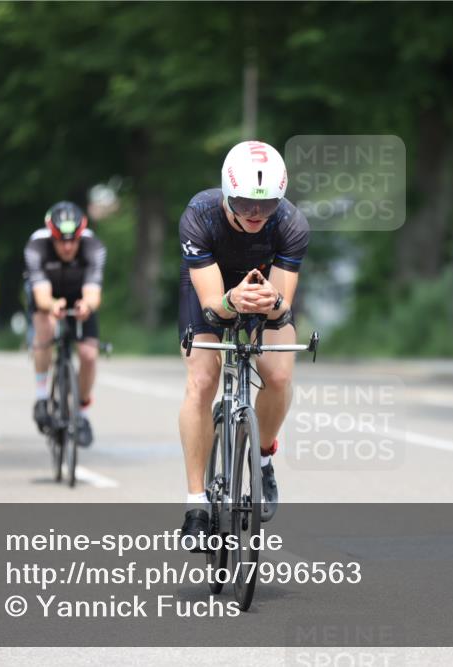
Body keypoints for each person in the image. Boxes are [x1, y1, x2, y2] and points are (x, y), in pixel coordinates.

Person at [178, 140, 310, 545]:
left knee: (279, 374)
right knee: (202, 380)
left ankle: (264, 456)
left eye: (266, 204)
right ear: (226, 192)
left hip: (262, 292)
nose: (256, 214)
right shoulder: (199, 215)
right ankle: (196, 501)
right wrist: (230, 300)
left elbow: (283, 309)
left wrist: (270, 307)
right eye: (245, 203)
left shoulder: (291, 224)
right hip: (212, 290)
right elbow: (212, 308)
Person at [24, 201, 106, 447]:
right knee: (46, 328)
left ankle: (81, 415)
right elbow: (41, 296)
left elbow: (93, 294)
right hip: (47, 294)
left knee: (89, 354)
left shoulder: (94, 247)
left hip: (79, 294)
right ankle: (41, 397)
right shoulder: (36, 247)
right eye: (61, 240)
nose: (68, 246)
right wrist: (52, 305)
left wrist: (86, 307)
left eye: (73, 240)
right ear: (51, 235)